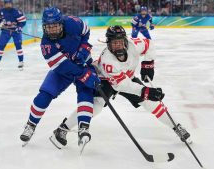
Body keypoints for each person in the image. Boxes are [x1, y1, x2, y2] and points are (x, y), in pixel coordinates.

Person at [50, 25, 191, 150]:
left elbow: (149, 45)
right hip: (106, 79)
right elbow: (122, 85)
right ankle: (62, 129)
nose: (117, 45)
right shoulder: (108, 61)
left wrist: (148, 64)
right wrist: (145, 91)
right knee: (96, 106)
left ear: (125, 41)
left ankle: (176, 126)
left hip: (126, 78)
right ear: (108, 44)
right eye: (113, 43)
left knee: (151, 104)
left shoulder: (135, 45)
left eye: (120, 42)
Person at [19, 7, 100, 149]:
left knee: (86, 92)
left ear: (61, 23)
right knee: (44, 95)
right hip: (64, 70)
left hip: (83, 63)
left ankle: (83, 127)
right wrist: (83, 74)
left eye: (55, 26)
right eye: (48, 27)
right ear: (44, 27)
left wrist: (84, 47)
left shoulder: (73, 23)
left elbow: (86, 32)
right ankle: (31, 124)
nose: (52, 30)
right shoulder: (46, 45)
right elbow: (62, 67)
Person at [0, 0, 26, 70]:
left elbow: (23, 21)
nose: (8, 5)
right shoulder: (1, 11)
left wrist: (19, 27)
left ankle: (21, 61)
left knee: (18, 45)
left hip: (16, 31)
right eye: (7, 4)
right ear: (5, 4)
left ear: (12, 4)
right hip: (5, 31)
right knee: (1, 45)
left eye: (9, 3)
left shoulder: (17, 12)